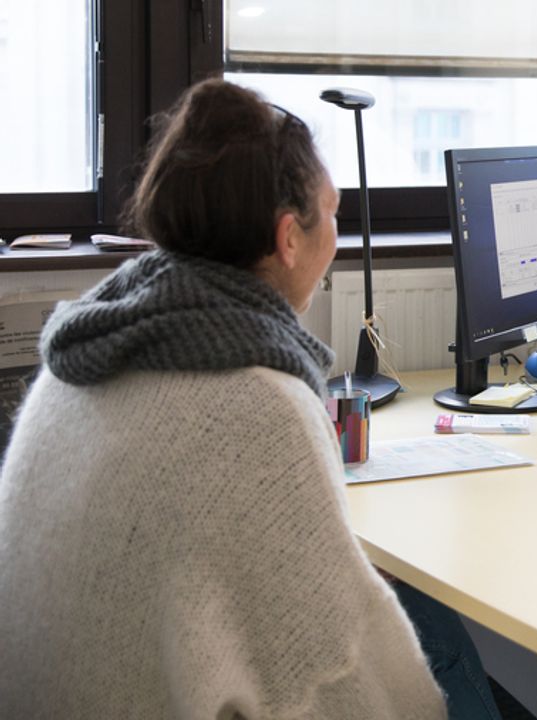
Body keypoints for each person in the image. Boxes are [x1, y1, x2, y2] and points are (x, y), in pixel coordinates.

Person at [0, 79, 499, 719]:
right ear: (289, 237)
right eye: (333, 212)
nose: (336, 235)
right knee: (444, 635)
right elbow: (352, 684)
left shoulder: (92, 350)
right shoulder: (257, 404)